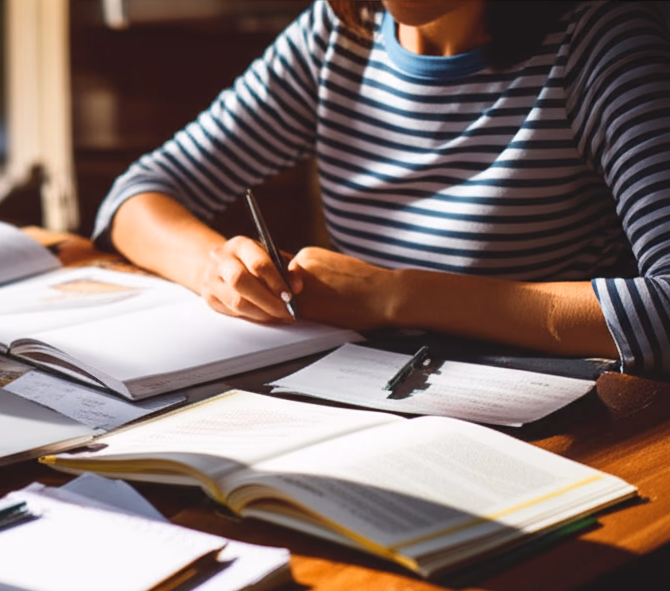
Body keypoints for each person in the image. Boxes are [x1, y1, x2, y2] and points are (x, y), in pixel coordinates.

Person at [93, 0, 670, 375]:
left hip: (548, 411)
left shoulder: (601, 42)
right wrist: (215, 269)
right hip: (361, 390)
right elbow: (139, 194)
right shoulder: (338, 35)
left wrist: (393, 296)